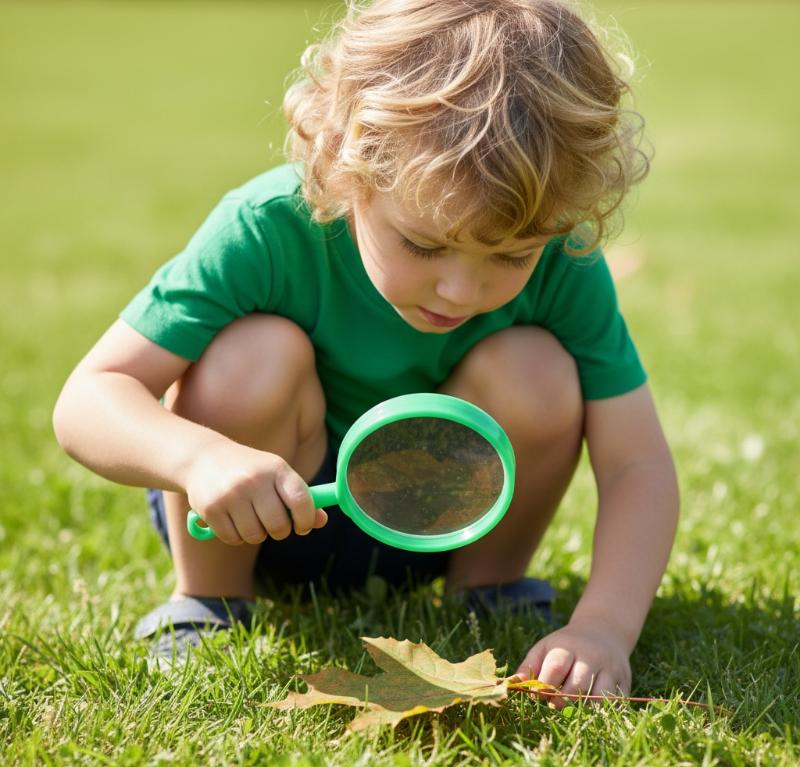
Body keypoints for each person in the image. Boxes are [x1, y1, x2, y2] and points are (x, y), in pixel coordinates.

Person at [52, 0, 679, 699]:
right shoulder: (264, 229)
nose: (460, 289)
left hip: (436, 531)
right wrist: (200, 460)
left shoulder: (565, 257)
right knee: (253, 354)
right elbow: (89, 397)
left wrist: (604, 628)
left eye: (511, 256)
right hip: (258, 518)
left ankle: (490, 588)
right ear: (344, 157)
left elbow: (637, 463)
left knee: (535, 368)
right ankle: (209, 600)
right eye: (424, 244)